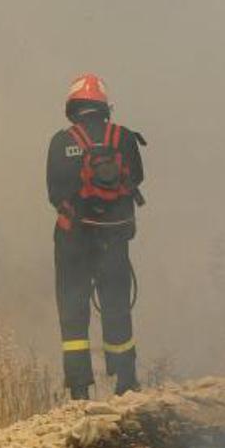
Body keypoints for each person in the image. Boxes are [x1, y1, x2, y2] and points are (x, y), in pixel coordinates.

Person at [46, 73, 146, 400]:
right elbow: (138, 178)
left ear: (72, 107)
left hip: (73, 240)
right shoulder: (125, 138)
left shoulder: (62, 142)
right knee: (116, 304)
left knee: (73, 309)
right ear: (104, 106)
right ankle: (125, 380)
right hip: (113, 240)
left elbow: (53, 192)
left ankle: (79, 390)